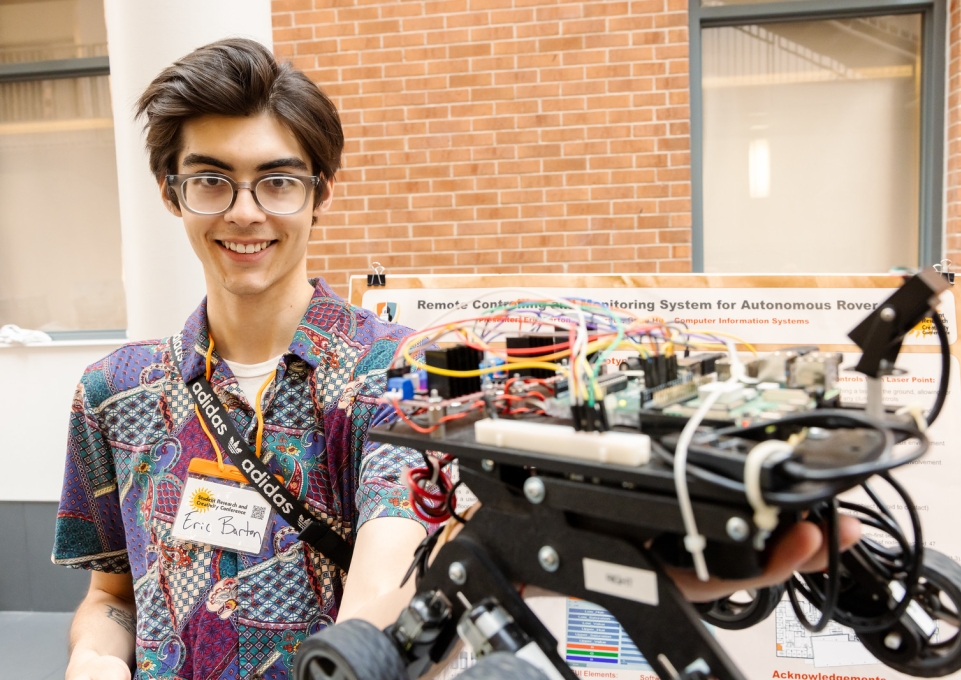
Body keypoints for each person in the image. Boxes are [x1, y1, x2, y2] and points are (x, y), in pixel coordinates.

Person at [53, 38, 858, 680]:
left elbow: (392, 574)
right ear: (171, 192)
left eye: (277, 182)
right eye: (210, 181)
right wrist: (94, 654)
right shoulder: (115, 393)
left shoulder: (404, 377)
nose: (244, 212)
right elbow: (111, 594)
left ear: (320, 192)